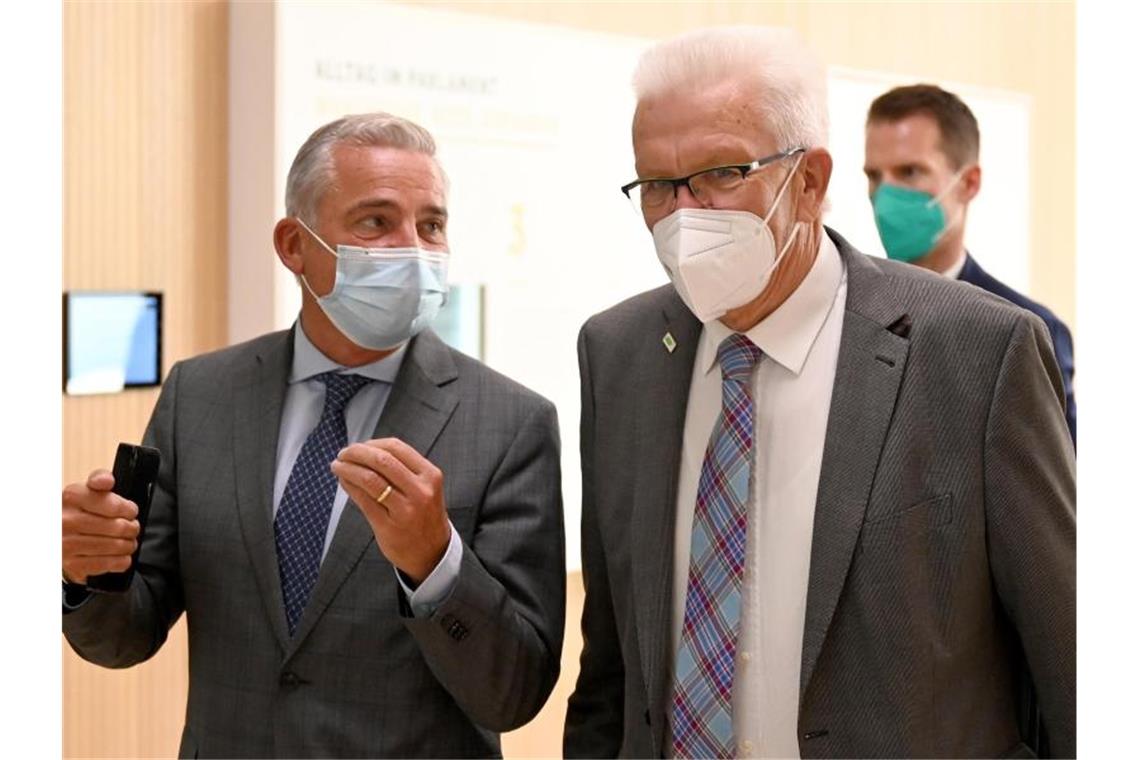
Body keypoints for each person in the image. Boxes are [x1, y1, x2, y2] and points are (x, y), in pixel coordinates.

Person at [563, 27, 1074, 759]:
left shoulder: (976, 353)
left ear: (809, 182)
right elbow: (612, 667)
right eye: (657, 185)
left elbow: (1069, 659)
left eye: (722, 172)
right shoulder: (619, 355)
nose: (685, 213)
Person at [61, 113, 565, 758]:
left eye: (431, 225)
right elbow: (122, 638)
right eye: (376, 222)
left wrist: (435, 563)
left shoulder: (509, 421)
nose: (411, 248)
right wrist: (87, 573)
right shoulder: (201, 395)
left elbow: (513, 693)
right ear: (295, 246)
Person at [864, 83, 1077, 446]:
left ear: (969, 183)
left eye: (910, 172)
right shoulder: (851, 313)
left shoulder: (1025, 329)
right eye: (874, 176)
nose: (886, 195)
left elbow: (1055, 491)